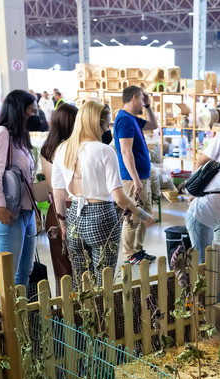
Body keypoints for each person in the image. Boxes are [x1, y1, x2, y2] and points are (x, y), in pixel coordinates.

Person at [51, 101, 153, 289]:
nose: (107, 130)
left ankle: (82, 309)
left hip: (74, 218)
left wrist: (63, 225)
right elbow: (119, 197)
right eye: (106, 125)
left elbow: (58, 193)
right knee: (103, 283)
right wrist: (143, 215)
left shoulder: (62, 149)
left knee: (81, 282)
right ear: (96, 124)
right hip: (102, 217)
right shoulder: (105, 151)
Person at [0, 90, 43, 295]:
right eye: (33, 112)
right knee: (7, 272)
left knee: (24, 271)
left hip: (26, 212)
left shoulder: (20, 138)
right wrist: (0, 205)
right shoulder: (2, 133)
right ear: (20, 110)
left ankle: (19, 312)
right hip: (9, 213)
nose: (36, 116)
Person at [114, 85, 159, 266]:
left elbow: (154, 125)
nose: (142, 101)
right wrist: (136, 180)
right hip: (132, 178)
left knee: (144, 215)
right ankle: (129, 254)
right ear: (134, 98)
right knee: (133, 216)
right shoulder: (124, 120)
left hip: (141, 177)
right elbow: (126, 152)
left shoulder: (132, 118)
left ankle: (138, 250)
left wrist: (148, 106)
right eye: (141, 98)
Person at [40, 102, 79, 284]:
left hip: (54, 212)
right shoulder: (71, 149)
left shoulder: (46, 149)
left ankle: (63, 302)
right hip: (72, 208)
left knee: (61, 271)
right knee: (82, 269)